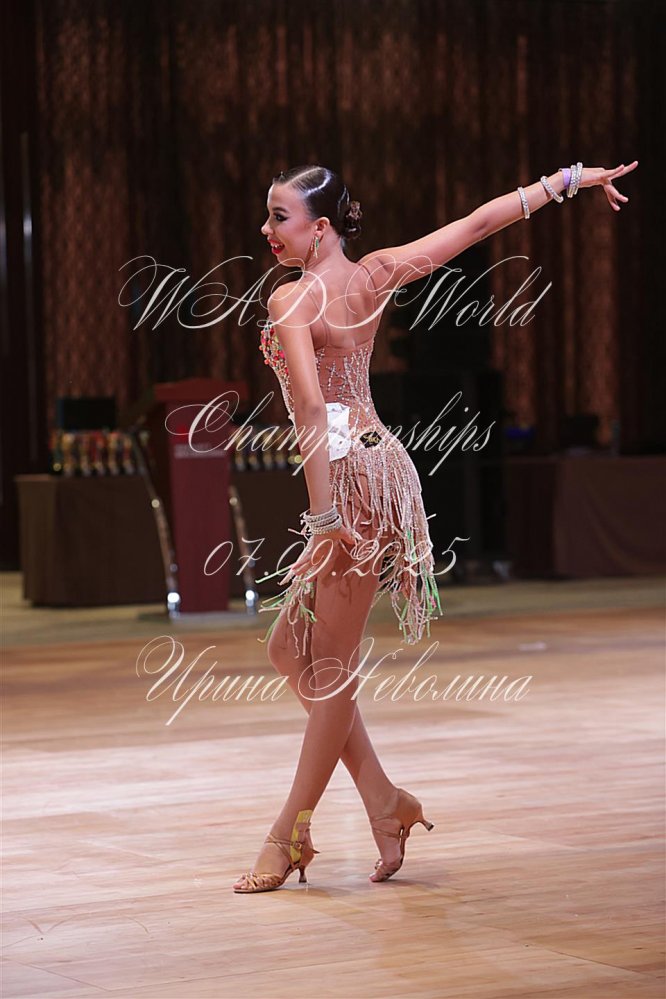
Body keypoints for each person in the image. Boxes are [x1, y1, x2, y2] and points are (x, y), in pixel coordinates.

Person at [232, 159, 638, 893]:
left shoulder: (290, 298)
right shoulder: (376, 272)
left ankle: (289, 833)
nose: (266, 229)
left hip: (352, 488)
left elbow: (316, 411)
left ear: (319, 228)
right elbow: (476, 225)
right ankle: (385, 800)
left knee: (328, 669)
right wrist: (567, 181)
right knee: (289, 650)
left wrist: (324, 520)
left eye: (278, 217)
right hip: (375, 469)